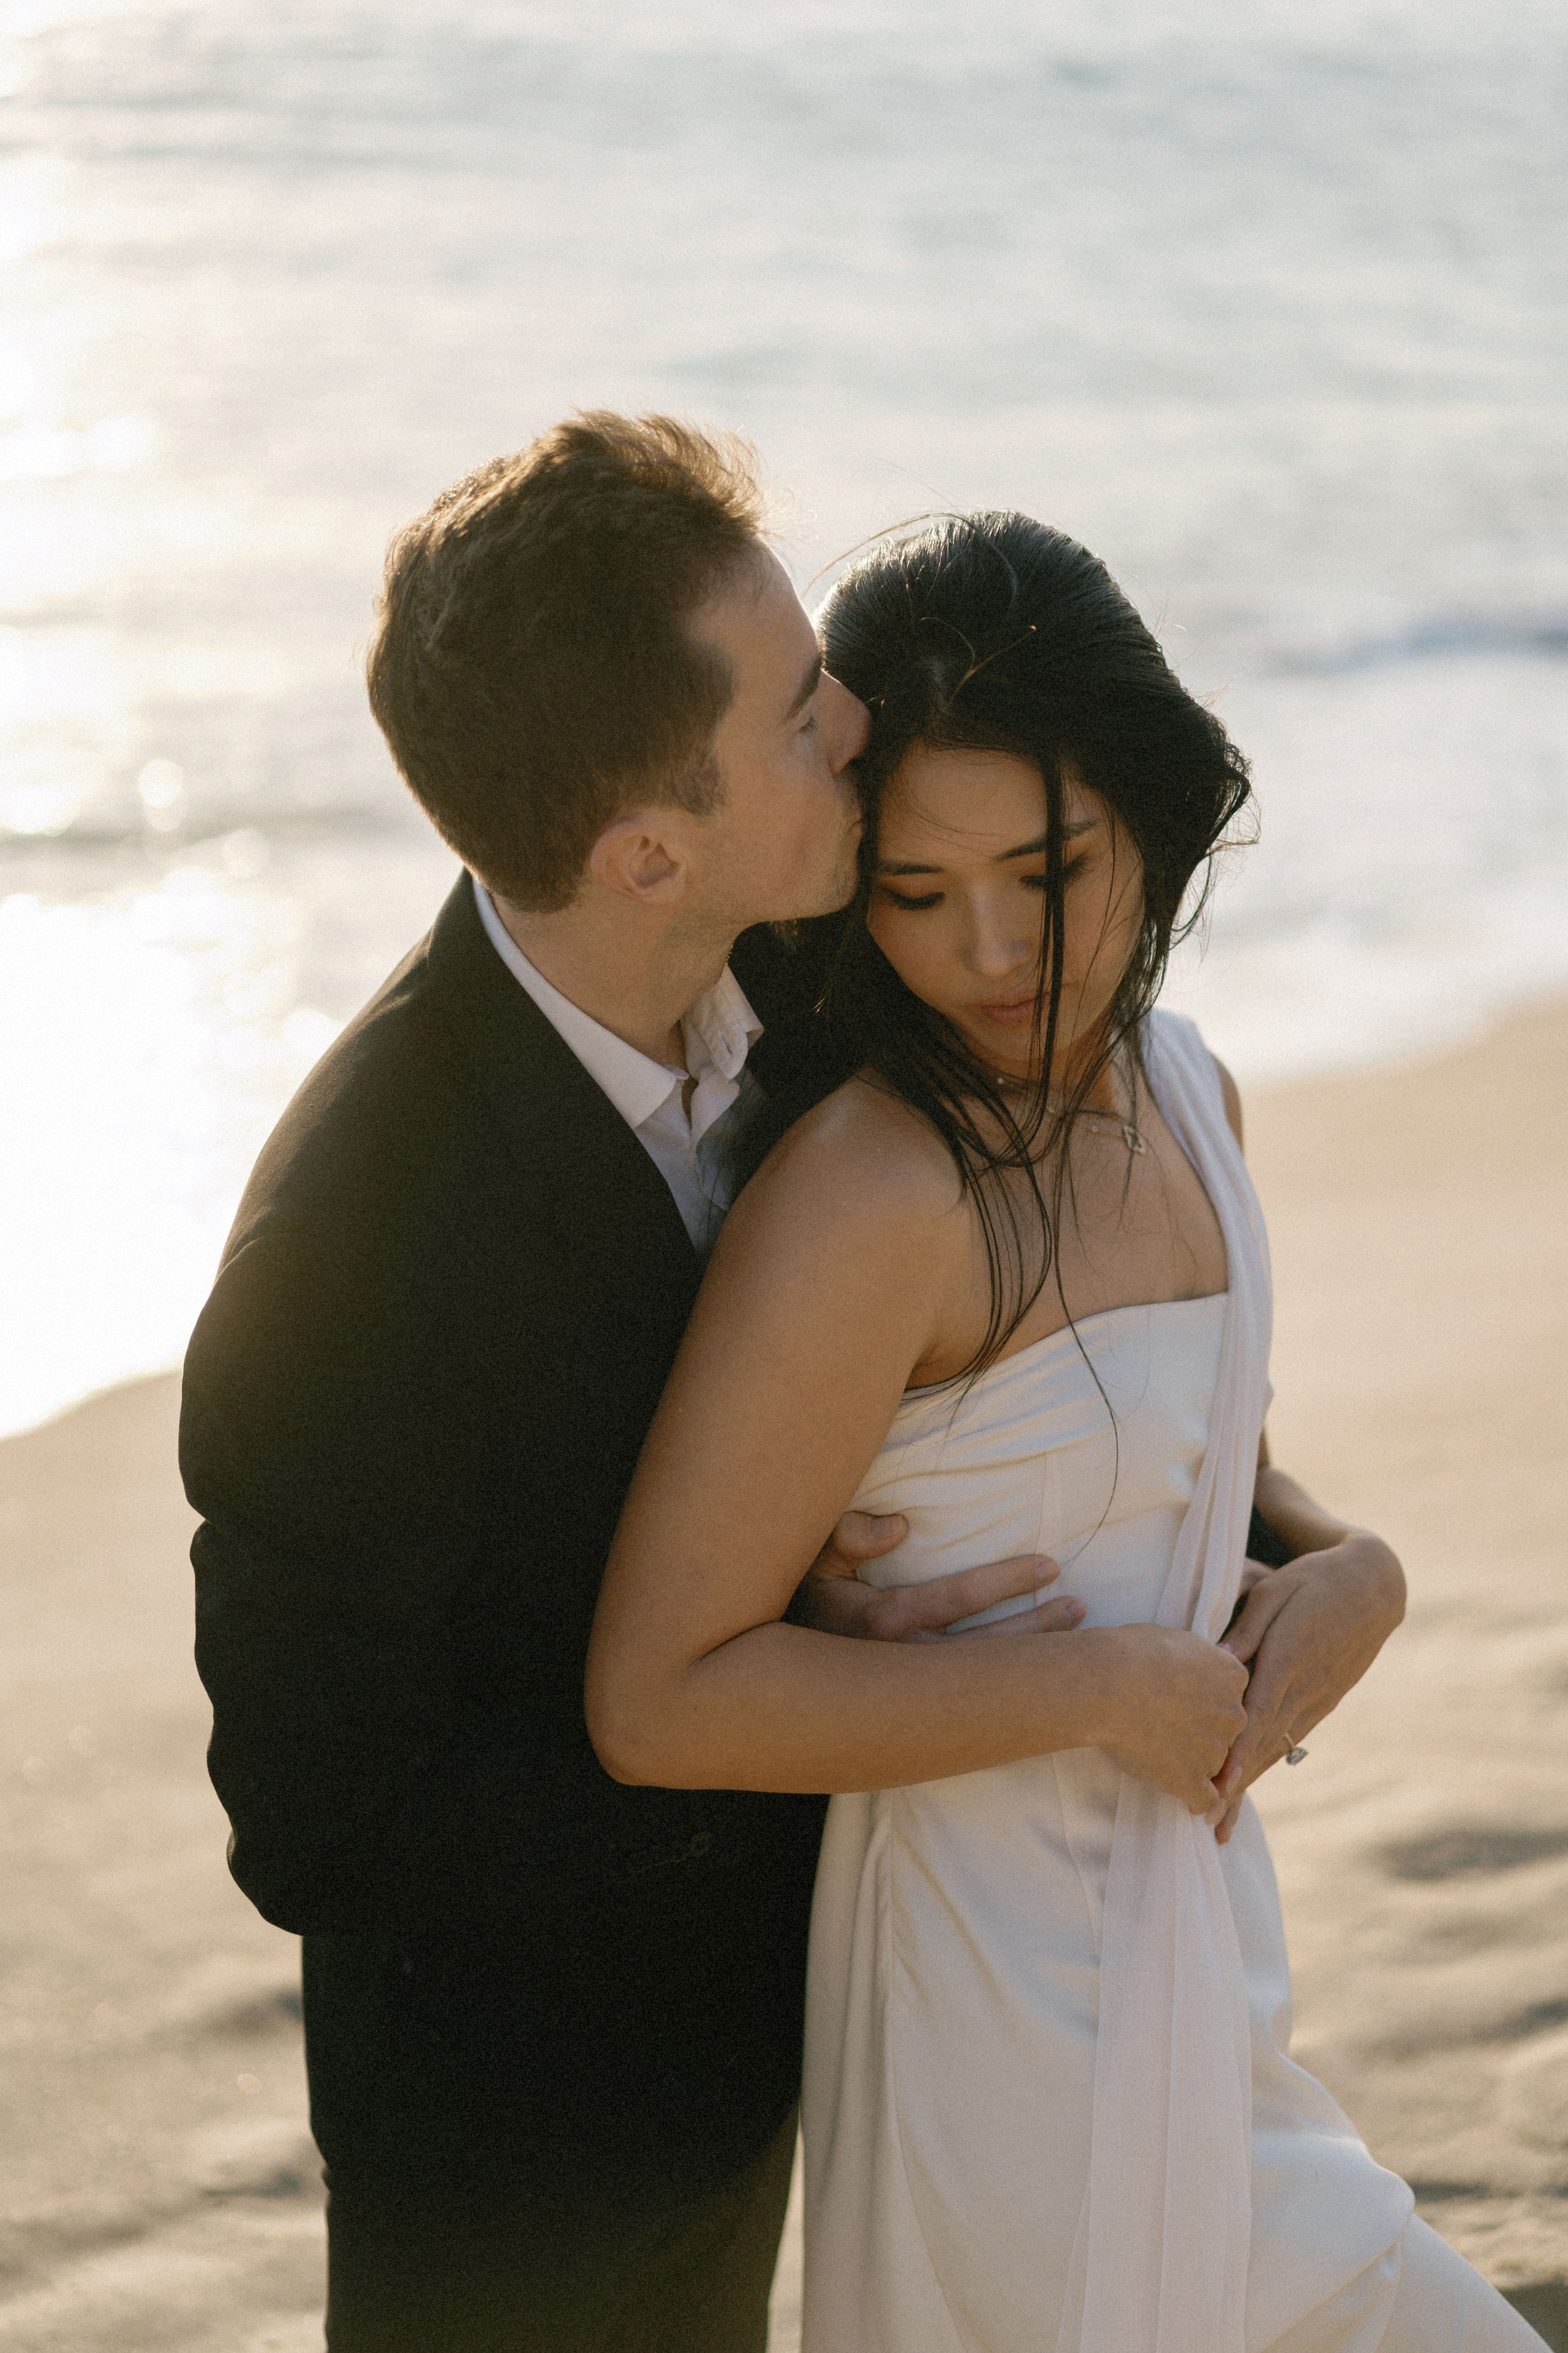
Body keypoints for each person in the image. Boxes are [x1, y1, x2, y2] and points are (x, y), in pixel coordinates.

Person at [183, 417, 1401, 2353]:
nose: (854, 716)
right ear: (647, 844)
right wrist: (822, 1714)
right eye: (797, 712)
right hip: (551, 2139)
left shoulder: (838, 976)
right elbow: (317, 1814)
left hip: (902, 2003)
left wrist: (1316, 1549)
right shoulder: (359, 1247)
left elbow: (1032, 1372)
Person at [586, 514, 1544, 2349]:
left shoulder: (1195, 1094)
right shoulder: (876, 1194)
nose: (995, 950)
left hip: (1201, 1981)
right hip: (999, 2033)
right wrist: (1102, 1689)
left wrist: (1354, 1570)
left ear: (1154, 813)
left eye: (1051, 868)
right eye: (917, 893)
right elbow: (659, 1691)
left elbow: (1203, 1470)